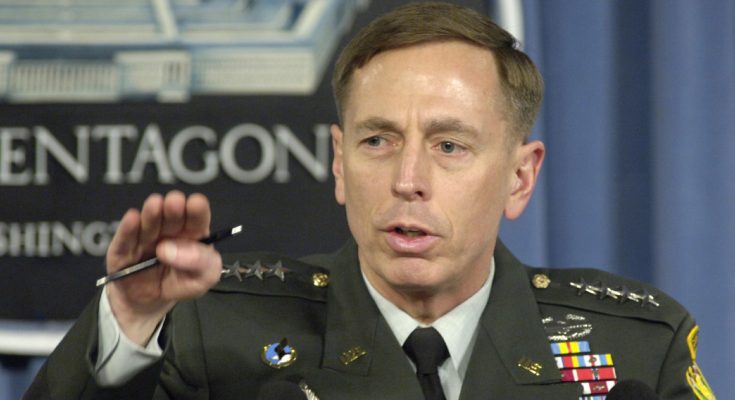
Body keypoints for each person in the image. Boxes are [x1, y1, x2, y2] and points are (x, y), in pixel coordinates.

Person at [25, 2, 715, 399]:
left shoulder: (633, 350)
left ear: (519, 177)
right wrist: (130, 322)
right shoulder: (212, 334)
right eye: (378, 141)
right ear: (338, 162)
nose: (407, 178)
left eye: (449, 145)